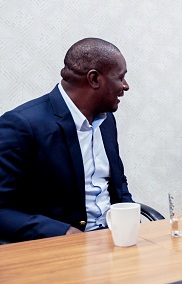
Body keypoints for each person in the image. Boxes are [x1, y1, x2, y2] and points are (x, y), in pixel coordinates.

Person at [0, 38, 134, 242]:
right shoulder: (23, 125)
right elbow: (3, 209)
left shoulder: (106, 121)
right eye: (121, 77)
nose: (126, 86)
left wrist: (132, 221)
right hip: (59, 251)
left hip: (114, 241)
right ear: (94, 79)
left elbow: (118, 185)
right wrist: (64, 233)